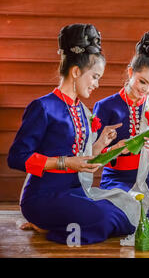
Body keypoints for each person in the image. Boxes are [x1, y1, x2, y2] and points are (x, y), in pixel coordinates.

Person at [7, 24, 138, 244]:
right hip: (43, 197)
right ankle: (47, 227)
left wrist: (105, 147)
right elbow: (16, 158)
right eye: (95, 77)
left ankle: (56, 223)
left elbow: (82, 158)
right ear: (76, 72)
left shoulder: (82, 110)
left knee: (127, 211)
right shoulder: (44, 107)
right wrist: (65, 162)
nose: (97, 84)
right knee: (104, 219)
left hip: (74, 192)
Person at [93, 31, 149, 225]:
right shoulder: (105, 106)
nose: (146, 90)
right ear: (131, 72)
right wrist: (115, 149)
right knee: (116, 212)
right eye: (142, 81)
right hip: (117, 176)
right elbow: (93, 154)